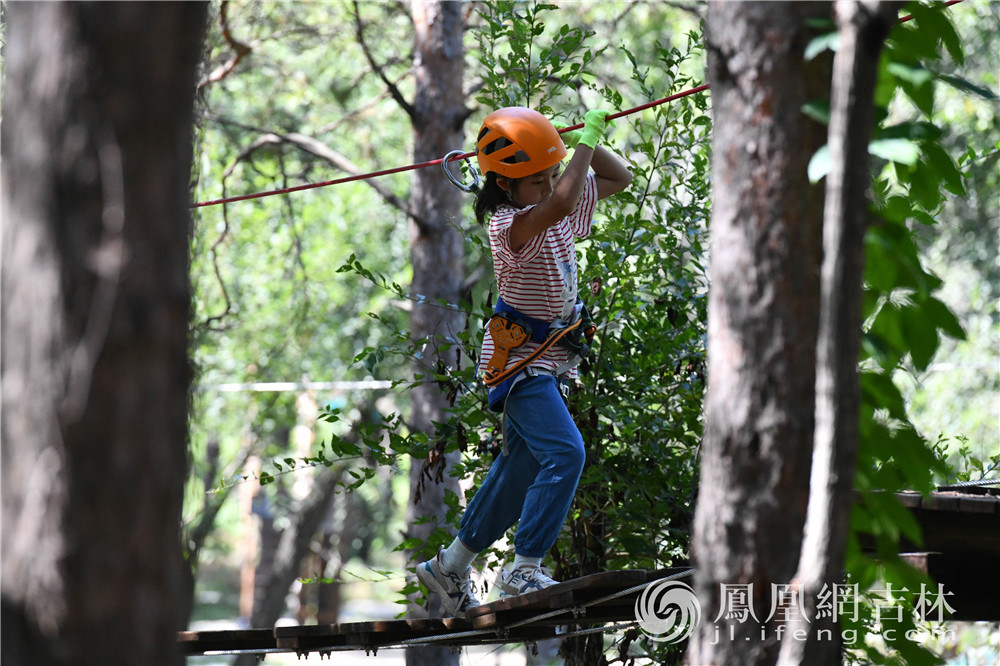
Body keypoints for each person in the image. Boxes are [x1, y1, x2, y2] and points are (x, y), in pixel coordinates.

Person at [416, 106, 632, 616]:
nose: (551, 184)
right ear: (505, 186)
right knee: (567, 453)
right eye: (537, 180)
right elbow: (557, 205)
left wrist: (574, 135)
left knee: (519, 469)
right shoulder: (508, 225)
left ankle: (449, 565)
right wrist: (576, 147)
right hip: (520, 364)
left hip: (548, 359)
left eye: (551, 175)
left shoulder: (552, 205)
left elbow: (617, 177)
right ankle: (523, 568)